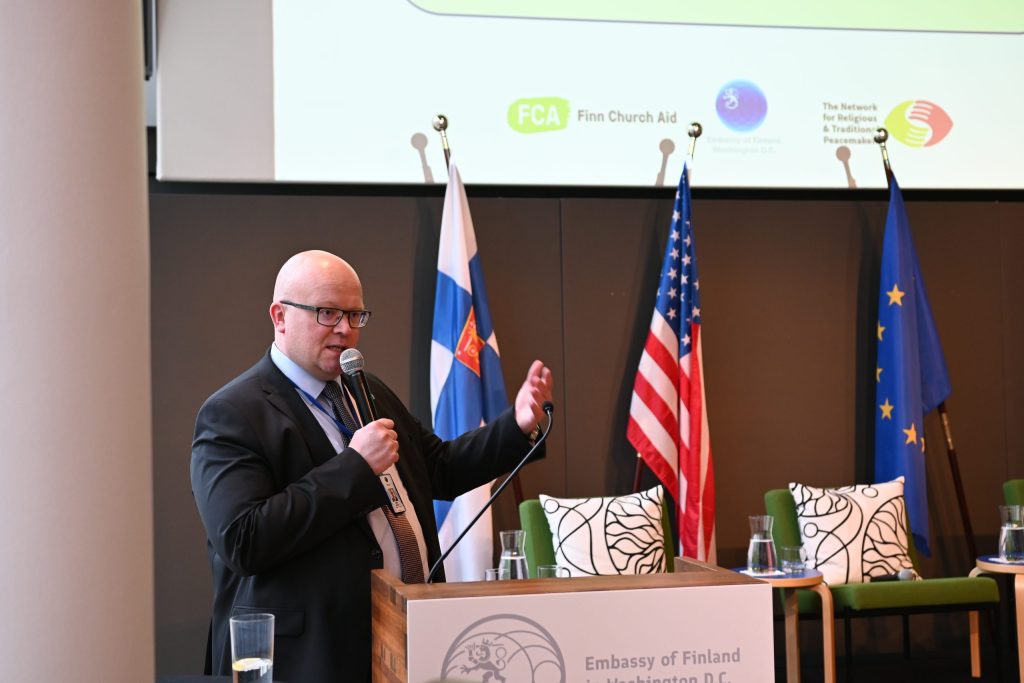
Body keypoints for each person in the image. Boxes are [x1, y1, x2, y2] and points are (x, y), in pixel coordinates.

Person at [191, 250, 553, 683]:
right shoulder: (233, 412)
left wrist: (516, 426)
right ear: (280, 315)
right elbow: (243, 539)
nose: (344, 330)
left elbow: (439, 468)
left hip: (400, 636)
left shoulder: (365, 389)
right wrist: (355, 468)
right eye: (327, 313)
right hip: (306, 658)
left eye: (355, 315)